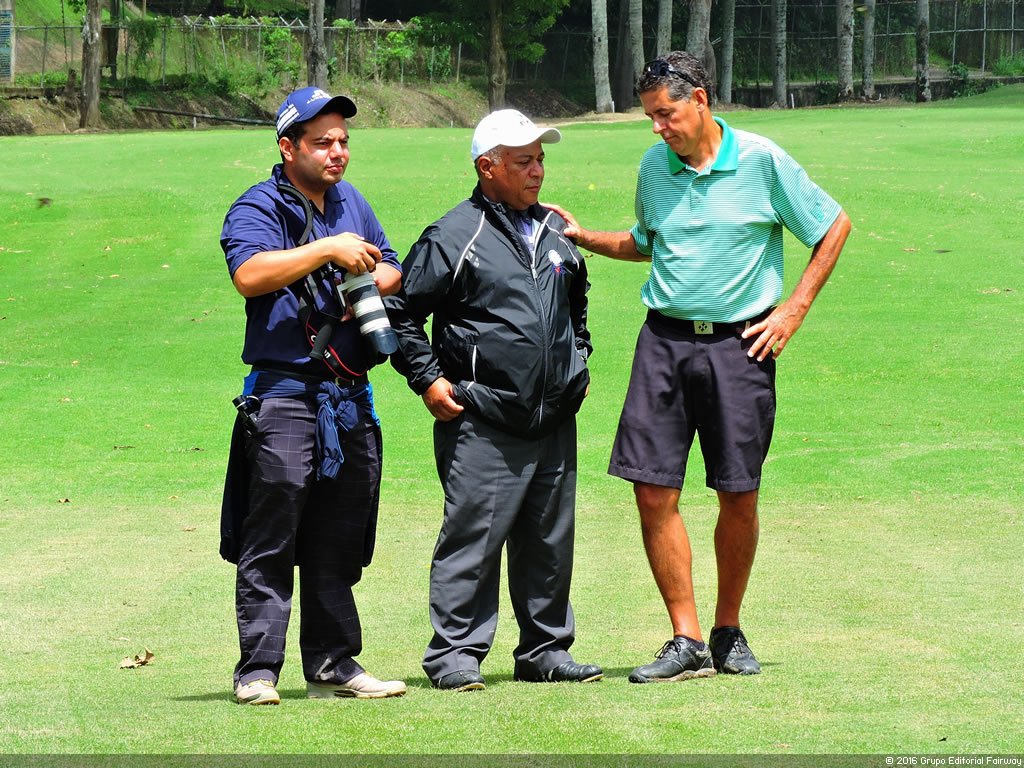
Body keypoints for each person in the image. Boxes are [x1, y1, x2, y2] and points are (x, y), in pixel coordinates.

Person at [548, 51, 851, 682]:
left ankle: (727, 631)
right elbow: (647, 243)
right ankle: (685, 639)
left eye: (666, 114)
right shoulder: (653, 166)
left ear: (701, 101)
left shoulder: (762, 160)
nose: (658, 128)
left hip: (741, 347)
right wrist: (587, 238)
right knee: (652, 489)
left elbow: (832, 225)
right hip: (663, 342)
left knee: (738, 493)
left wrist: (793, 309)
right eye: (651, 118)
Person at [385, 109, 602, 692]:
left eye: (540, 160)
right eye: (523, 161)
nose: (537, 172)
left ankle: (545, 650)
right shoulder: (453, 235)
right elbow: (401, 312)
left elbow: (576, 304)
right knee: (474, 538)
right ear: (487, 168)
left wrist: (578, 361)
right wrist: (428, 380)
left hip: (553, 417)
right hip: (483, 416)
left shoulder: (555, 229)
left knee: (549, 543)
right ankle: (454, 656)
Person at [219, 87, 406, 705]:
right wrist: (328, 249)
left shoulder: (353, 201)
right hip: (283, 394)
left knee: (339, 535)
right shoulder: (258, 204)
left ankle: (333, 664)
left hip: (349, 393)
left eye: (343, 141)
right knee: (273, 533)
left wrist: (367, 278)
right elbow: (249, 275)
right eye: (323, 142)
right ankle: (257, 672)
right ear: (288, 147)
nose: (337, 153)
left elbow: (393, 265)